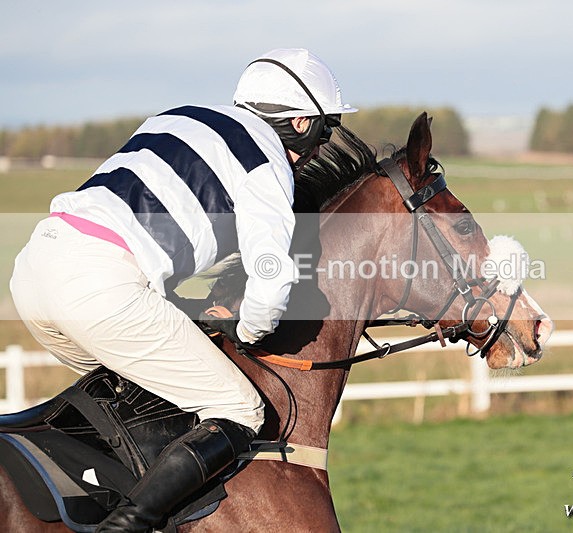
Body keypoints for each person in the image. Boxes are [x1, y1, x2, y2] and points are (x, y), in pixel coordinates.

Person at [9, 48, 357, 532]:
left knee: (143, 397)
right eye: (327, 128)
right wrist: (250, 330)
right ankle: (127, 525)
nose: (321, 147)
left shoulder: (178, 117)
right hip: (101, 286)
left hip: (33, 273)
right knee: (239, 408)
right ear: (301, 123)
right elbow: (272, 278)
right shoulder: (267, 163)